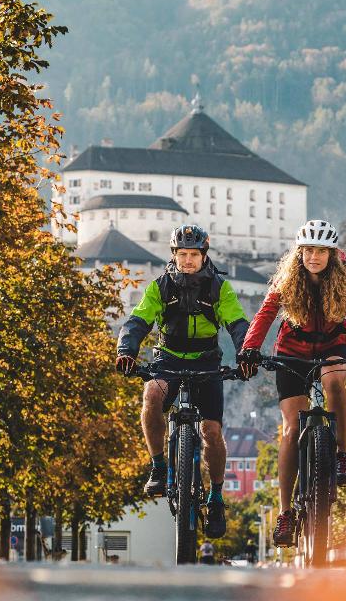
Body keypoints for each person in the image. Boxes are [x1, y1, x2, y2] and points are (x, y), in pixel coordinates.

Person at [236, 219, 346, 547]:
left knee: (334, 382)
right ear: (299, 252)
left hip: (333, 346)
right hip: (292, 352)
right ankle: (285, 513)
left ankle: (342, 455)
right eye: (308, 250)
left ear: (332, 254)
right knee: (291, 429)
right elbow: (265, 313)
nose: (313, 256)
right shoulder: (287, 278)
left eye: (320, 251)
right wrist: (250, 348)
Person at [116, 224, 250, 540]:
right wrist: (126, 351)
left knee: (212, 432)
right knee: (151, 394)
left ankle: (216, 498)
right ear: (174, 255)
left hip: (207, 361)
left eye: (194, 255)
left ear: (204, 256)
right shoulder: (161, 287)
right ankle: (159, 466)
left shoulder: (219, 288)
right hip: (169, 359)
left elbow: (238, 323)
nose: (188, 261)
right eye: (182, 254)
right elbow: (137, 321)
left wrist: (246, 354)